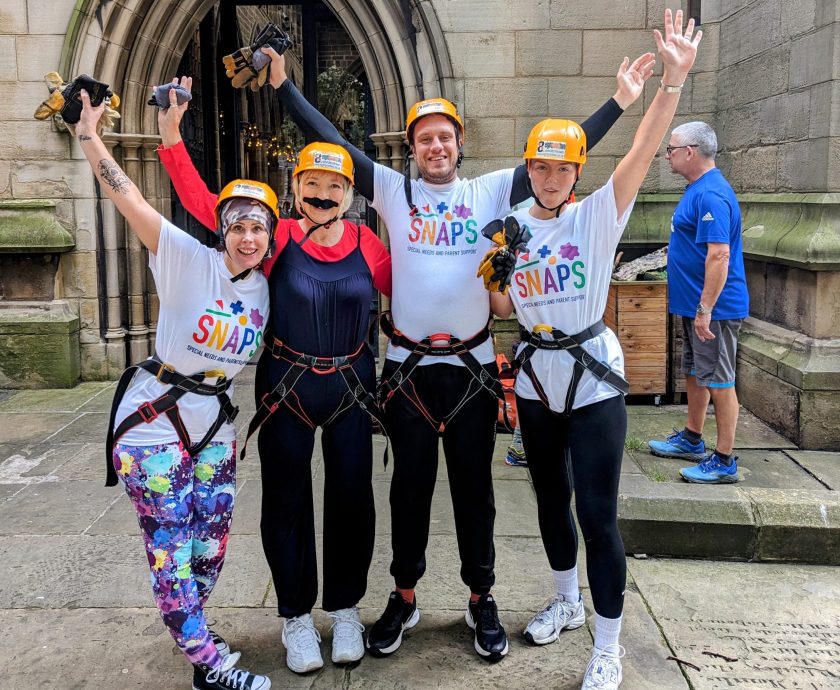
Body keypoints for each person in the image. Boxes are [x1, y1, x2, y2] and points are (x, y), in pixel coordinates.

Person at [260, 43, 654, 662]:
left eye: (445, 138)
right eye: (425, 140)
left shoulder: (493, 192)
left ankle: (480, 598)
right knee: (407, 493)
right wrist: (284, 88)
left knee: (476, 494)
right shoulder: (392, 190)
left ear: (459, 144)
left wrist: (620, 102)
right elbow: (333, 139)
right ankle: (405, 595)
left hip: (471, 371)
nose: (436, 148)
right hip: (408, 371)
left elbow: (563, 152)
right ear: (412, 149)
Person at [485, 10, 701, 689]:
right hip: (535, 378)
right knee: (549, 500)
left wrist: (672, 82)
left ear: (575, 170)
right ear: (529, 168)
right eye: (540, 166)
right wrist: (498, 269)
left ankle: (607, 644)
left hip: (594, 380)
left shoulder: (598, 213)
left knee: (597, 515)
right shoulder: (510, 227)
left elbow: (641, 150)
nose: (550, 176)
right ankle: (566, 601)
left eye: (561, 167)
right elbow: (498, 309)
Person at [155, 80, 392, 674]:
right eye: (311, 184)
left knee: (351, 499)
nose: (321, 194)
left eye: (334, 185)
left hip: (352, 388)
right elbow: (203, 203)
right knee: (285, 502)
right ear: (295, 189)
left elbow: (420, 293)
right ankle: (294, 616)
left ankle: (342, 609)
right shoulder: (277, 236)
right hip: (286, 386)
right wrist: (170, 135)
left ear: (350, 193)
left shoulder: (370, 244)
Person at [77, 89, 273, 690]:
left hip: (213, 424)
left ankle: (191, 624)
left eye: (258, 227)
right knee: (170, 544)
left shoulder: (264, 289)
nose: (247, 236)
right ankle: (207, 664)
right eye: (237, 224)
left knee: (209, 543)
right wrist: (89, 135)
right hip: (155, 423)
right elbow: (126, 195)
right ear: (222, 229)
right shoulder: (188, 257)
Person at [647, 120, 749, 484]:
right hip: (695, 308)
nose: (668, 156)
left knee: (720, 381)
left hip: (714, 310)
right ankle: (692, 437)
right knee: (696, 372)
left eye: (671, 149)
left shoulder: (711, 195)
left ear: (689, 152)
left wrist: (706, 309)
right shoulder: (697, 189)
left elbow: (719, 256)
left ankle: (724, 460)